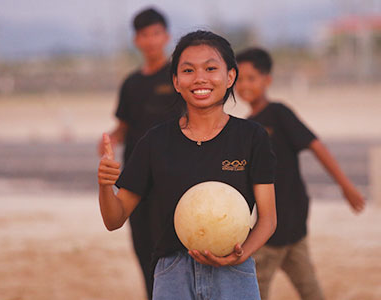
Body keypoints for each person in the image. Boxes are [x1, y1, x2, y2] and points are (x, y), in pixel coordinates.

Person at [98, 30, 277, 300]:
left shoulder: (252, 137)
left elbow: (268, 219)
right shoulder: (155, 142)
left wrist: (241, 255)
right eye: (188, 70)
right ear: (176, 81)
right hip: (172, 272)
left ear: (230, 77)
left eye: (211, 68)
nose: (200, 78)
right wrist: (104, 185)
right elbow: (114, 219)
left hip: (235, 271)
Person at [235, 47, 366, 300]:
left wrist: (345, 185)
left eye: (251, 78)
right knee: (259, 289)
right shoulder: (247, 126)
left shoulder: (279, 113)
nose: (244, 85)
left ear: (267, 80)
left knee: (302, 287)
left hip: (290, 224)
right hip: (268, 226)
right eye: (239, 79)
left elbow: (316, 145)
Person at [97, 8, 183, 298]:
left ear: (167, 36)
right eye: (144, 35)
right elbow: (124, 126)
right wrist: (110, 139)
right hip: (136, 179)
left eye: (156, 33)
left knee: (173, 246)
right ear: (136, 40)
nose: (150, 40)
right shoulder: (131, 83)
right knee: (144, 248)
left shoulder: (178, 77)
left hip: (173, 177)